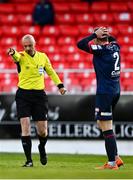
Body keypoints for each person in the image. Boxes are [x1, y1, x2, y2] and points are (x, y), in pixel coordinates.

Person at [8, 34, 66, 167]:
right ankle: (29, 160)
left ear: (35, 44)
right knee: (25, 126)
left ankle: (42, 147)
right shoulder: (21, 56)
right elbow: (16, 56)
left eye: (30, 45)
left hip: (39, 95)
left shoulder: (43, 57)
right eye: (25, 46)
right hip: (23, 95)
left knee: (42, 131)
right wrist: (12, 52)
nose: (27, 48)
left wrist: (60, 85)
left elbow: (51, 72)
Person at [77, 27, 124, 170]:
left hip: (105, 92)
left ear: (98, 39)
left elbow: (80, 44)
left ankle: (112, 163)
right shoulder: (115, 46)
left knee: (106, 127)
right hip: (115, 90)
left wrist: (93, 34)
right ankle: (116, 158)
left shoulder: (101, 50)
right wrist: (105, 35)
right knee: (101, 123)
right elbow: (112, 39)